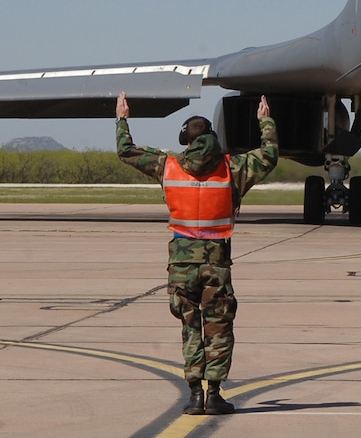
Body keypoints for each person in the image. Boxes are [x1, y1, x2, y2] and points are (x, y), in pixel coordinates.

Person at [115, 92, 278, 415]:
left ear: (184, 140)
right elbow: (269, 154)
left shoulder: (169, 166)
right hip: (216, 266)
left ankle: (193, 394)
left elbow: (126, 151)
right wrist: (266, 121)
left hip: (181, 267)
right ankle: (215, 394)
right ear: (213, 139)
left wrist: (122, 119)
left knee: (190, 327)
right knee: (218, 326)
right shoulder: (233, 168)